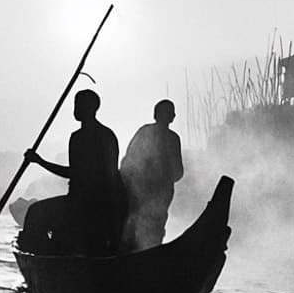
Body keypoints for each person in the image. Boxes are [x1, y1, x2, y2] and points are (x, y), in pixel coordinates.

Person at [22, 89, 125, 256]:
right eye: (75, 105)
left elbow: (75, 173)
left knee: (35, 213)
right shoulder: (106, 134)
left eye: (79, 105)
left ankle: (44, 255)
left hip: (86, 203)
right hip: (98, 201)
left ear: (91, 108)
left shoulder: (81, 137)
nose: (75, 109)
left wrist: (39, 161)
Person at [120, 99, 185, 250]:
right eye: (171, 112)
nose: (174, 115)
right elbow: (178, 173)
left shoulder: (148, 133)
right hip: (147, 193)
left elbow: (128, 161)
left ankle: (139, 253)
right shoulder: (169, 138)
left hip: (151, 193)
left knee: (141, 225)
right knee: (148, 227)